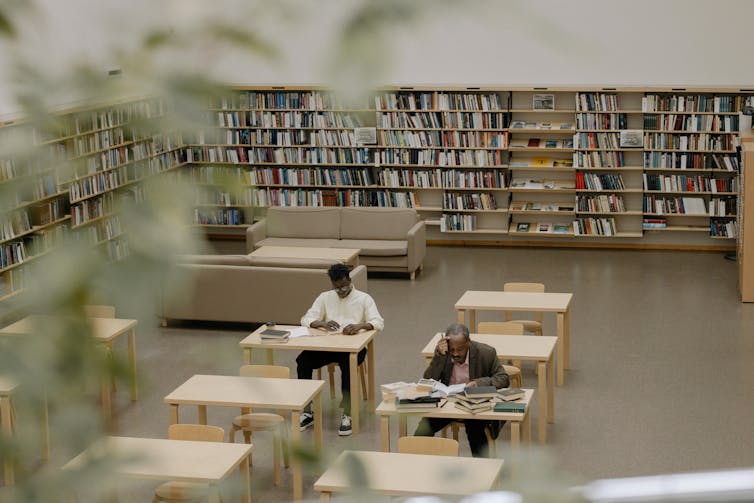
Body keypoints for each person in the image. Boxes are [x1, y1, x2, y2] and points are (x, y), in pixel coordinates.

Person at [297, 263, 384, 436]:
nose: (341, 290)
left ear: (350, 280)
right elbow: (306, 319)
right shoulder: (325, 297)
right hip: (328, 346)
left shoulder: (364, 298)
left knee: (348, 365)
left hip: (354, 349)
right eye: (337, 288)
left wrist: (359, 326)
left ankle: (347, 413)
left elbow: (378, 322)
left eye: (344, 286)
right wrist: (321, 323)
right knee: (302, 361)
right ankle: (307, 410)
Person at [414, 323, 509, 457]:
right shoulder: (444, 353)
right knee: (423, 429)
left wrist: (478, 383)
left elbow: (503, 378)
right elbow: (428, 380)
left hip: (473, 404)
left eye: (460, 349)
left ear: (468, 343)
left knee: (475, 431)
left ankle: (483, 470)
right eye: (452, 349)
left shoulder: (486, 353)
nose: (455, 353)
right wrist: (439, 356)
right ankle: (417, 463)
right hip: (449, 403)